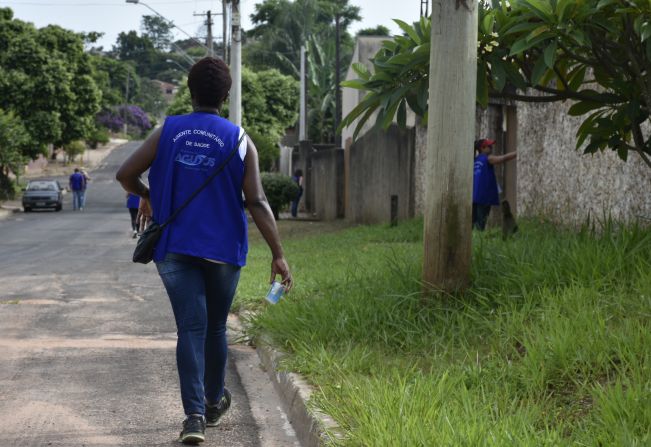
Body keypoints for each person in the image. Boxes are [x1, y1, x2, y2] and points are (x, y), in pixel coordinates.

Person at [116, 57, 293, 445]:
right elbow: (258, 201)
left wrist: (149, 196)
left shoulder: (168, 131)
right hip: (224, 250)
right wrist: (278, 254)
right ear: (226, 95)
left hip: (175, 247)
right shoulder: (240, 139)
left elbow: (125, 175)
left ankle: (194, 417)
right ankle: (213, 402)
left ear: (190, 90)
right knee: (215, 326)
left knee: (190, 328)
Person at [472, 138, 516, 230]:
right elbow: (503, 158)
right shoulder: (488, 158)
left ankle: (474, 239)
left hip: (474, 196)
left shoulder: (475, 160)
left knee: (473, 222)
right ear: (482, 148)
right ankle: (479, 239)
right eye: (489, 146)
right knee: (481, 223)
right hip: (484, 197)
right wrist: (517, 153)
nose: (491, 148)